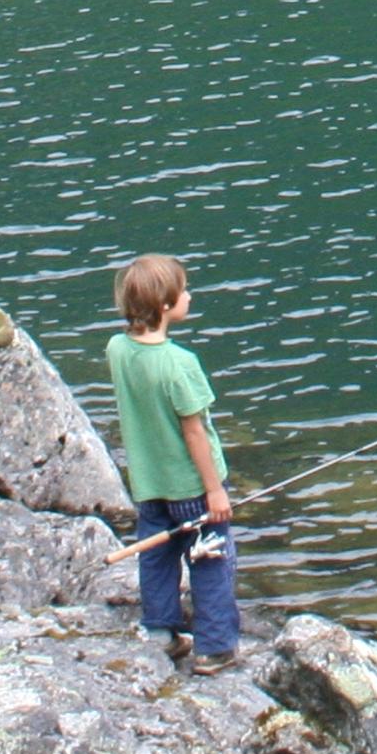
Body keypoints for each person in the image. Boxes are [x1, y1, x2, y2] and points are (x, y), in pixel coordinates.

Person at [107, 252, 240, 670]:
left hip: (148, 485)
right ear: (165, 305)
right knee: (210, 560)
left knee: (157, 558)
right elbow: (194, 431)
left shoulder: (116, 349)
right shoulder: (180, 364)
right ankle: (214, 646)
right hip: (194, 490)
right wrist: (214, 490)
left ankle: (161, 631)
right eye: (183, 291)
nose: (189, 295)